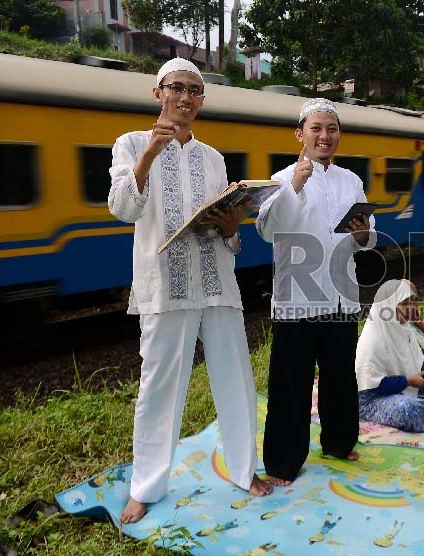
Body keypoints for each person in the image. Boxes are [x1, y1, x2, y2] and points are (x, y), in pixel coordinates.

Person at [108, 58, 271, 523]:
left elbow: (231, 238)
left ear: (201, 100)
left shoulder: (214, 158)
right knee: (160, 388)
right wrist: (147, 158)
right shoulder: (130, 144)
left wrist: (232, 224)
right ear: (157, 93)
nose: (185, 98)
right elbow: (122, 208)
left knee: (236, 380)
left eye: (195, 91)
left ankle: (244, 469)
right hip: (166, 285)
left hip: (218, 282)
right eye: (176, 88)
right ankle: (146, 486)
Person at [256, 98, 376, 486]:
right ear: (300, 134)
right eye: (316, 129)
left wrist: (362, 235)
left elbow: (368, 237)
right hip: (298, 297)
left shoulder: (351, 181)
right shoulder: (280, 177)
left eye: (332, 129)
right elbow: (267, 231)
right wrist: (294, 186)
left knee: (341, 375)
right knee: (291, 380)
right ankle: (283, 461)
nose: (325, 136)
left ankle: (340, 443)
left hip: (341, 293)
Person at [356, 280, 424, 432]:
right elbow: (373, 385)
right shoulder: (373, 338)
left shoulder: (404, 329)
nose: (411, 308)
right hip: (373, 399)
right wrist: (407, 381)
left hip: (404, 388)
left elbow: (416, 366)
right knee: (408, 409)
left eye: (413, 302)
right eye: (405, 304)